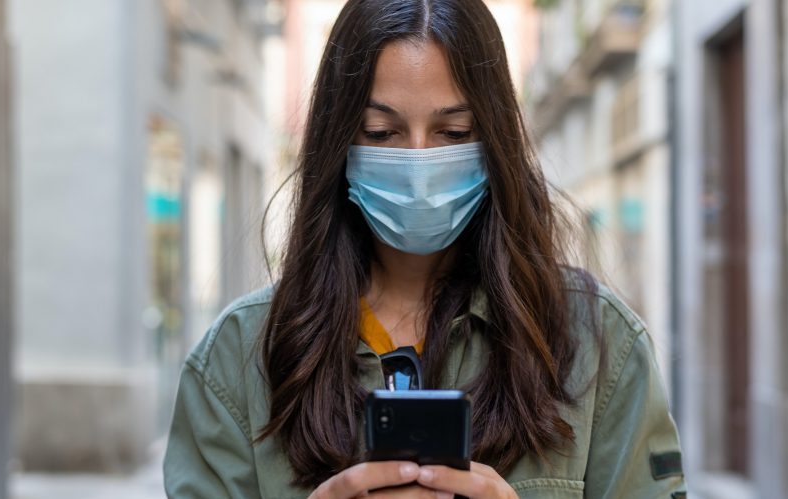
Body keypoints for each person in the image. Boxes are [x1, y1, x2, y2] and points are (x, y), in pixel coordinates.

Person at [163, 0, 687, 497]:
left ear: (495, 141)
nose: (418, 162)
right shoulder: (237, 359)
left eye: (453, 132)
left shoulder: (597, 345)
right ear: (338, 141)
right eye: (381, 131)